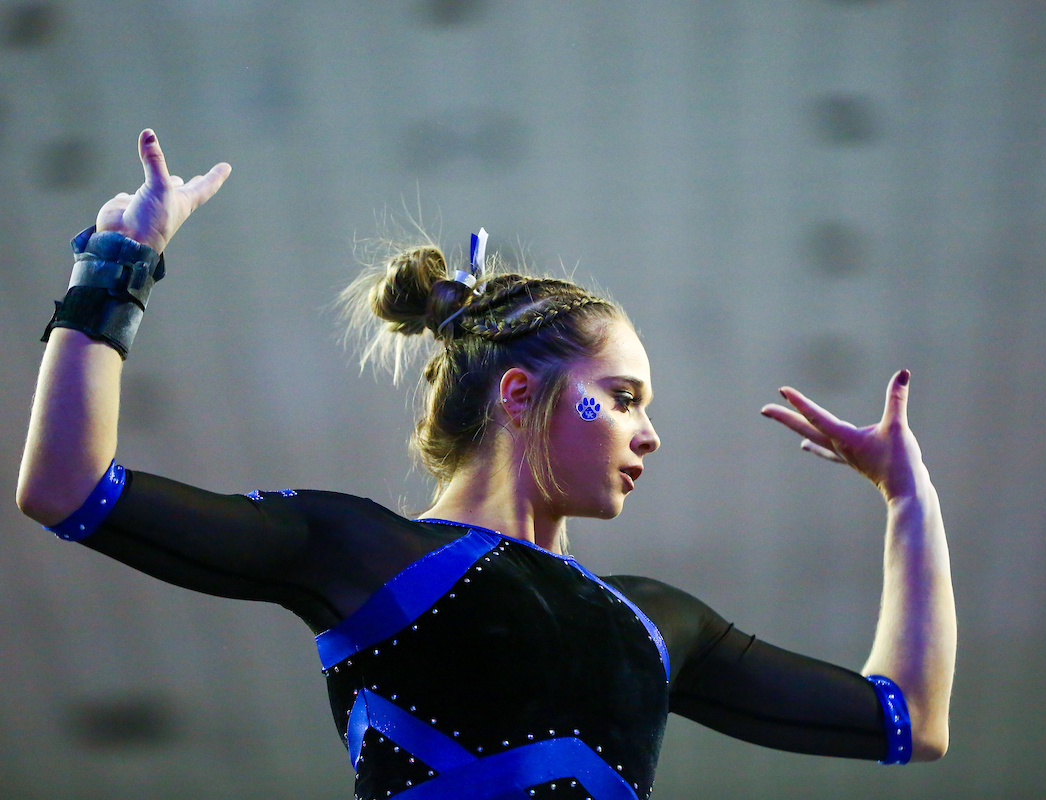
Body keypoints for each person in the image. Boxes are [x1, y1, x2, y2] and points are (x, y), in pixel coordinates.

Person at [17, 129, 956, 800]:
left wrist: (908, 498)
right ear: (518, 394)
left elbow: (908, 720)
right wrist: (118, 264)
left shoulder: (655, 624)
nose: (649, 434)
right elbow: (68, 488)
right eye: (622, 396)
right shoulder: (362, 552)